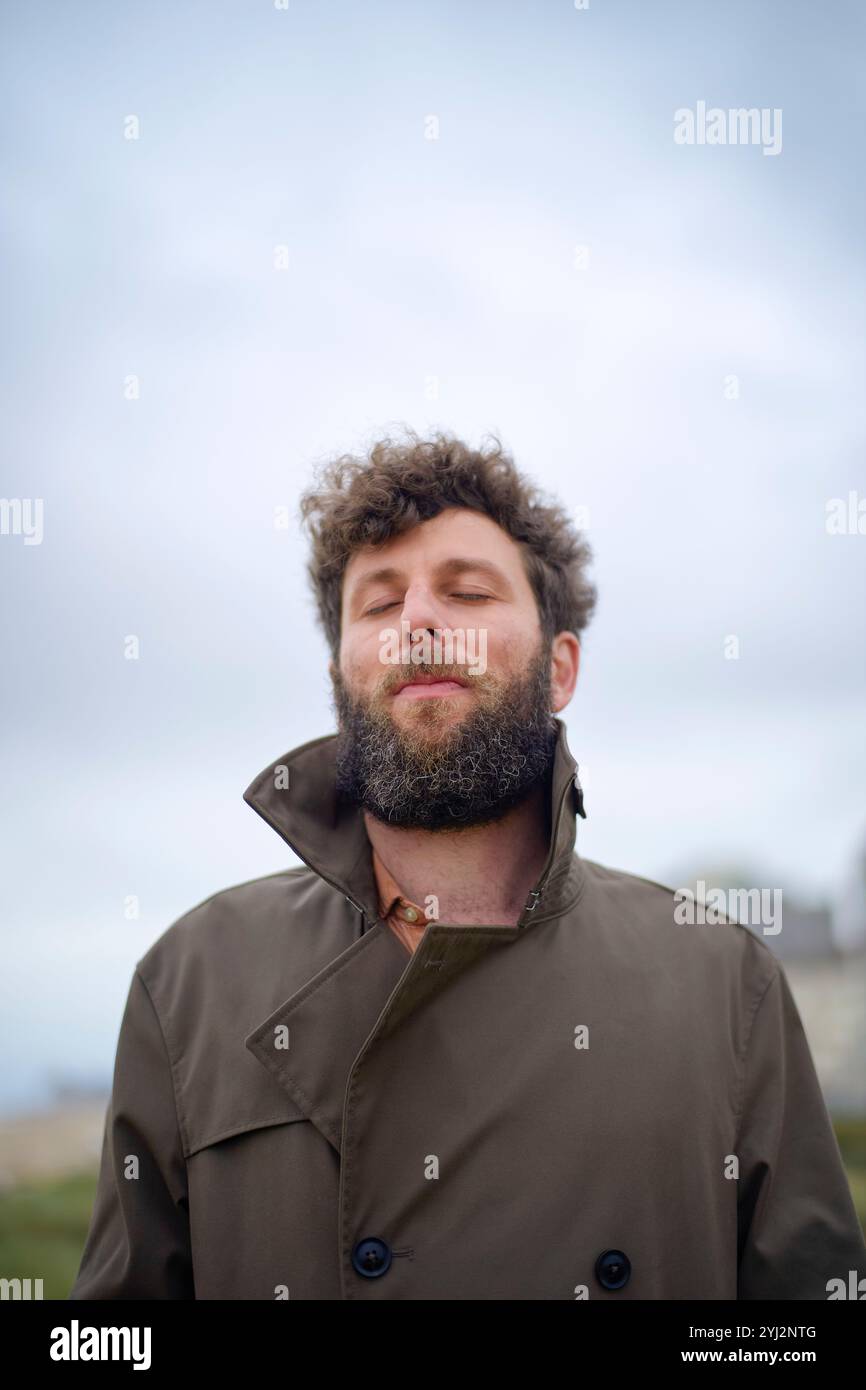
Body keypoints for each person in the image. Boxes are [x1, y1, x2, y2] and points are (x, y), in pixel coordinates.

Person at [69, 430, 866, 1300]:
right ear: (342, 672)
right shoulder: (189, 980)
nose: (418, 621)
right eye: (377, 604)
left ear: (559, 669)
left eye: (468, 591)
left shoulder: (726, 985)